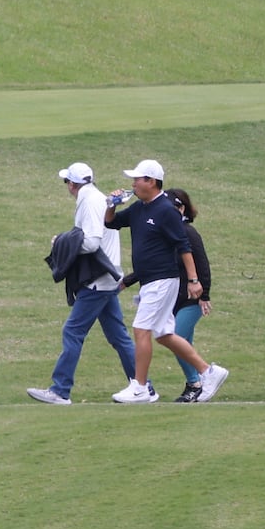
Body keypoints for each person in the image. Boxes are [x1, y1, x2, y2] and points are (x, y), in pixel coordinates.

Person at [104, 160, 228, 404]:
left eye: (137, 179)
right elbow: (111, 223)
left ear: (151, 181)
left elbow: (184, 247)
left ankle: (140, 388)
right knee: (163, 335)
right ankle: (208, 371)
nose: (133, 183)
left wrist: (194, 281)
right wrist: (111, 205)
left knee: (141, 329)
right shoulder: (140, 208)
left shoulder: (166, 210)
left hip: (162, 280)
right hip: (150, 281)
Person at [26, 162, 135, 405]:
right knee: (118, 336)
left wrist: (61, 243)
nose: (67, 186)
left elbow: (92, 242)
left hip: (98, 278)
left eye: (67, 182)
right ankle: (141, 385)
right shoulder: (95, 196)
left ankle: (60, 390)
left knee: (73, 331)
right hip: (108, 276)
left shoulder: (88, 200)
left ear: (72, 184)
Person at [166, 189, 212, 403]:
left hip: (192, 299)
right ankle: (196, 385)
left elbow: (202, 264)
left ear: (181, 209)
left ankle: (196, 383)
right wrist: (127, 281)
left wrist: (205, 295)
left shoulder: (188, 232)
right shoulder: (167, 233)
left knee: (175, 338)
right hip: (173, 299)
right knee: (184, 345)